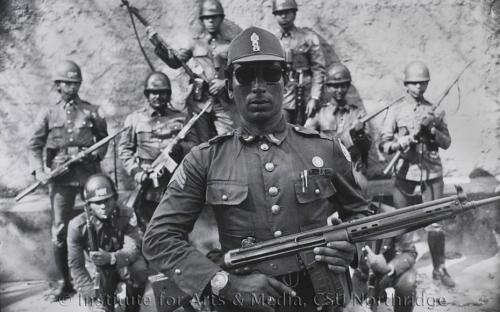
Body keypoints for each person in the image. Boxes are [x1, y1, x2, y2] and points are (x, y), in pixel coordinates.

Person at [142, 26, 372, 312]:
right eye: (245, 76)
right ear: (229, 86)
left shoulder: (325, 150)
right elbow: (158, 239)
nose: (258, 86)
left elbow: (362, 216)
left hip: (319, 299)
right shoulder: (205, 159)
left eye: (271, 74)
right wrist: (224, 283)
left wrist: (353, 252)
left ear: (285, 82)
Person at [28, 60, 108, 301]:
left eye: (75, 83)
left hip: (88, 177)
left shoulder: (91, 111)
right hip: (61, 180)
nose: (71, 87)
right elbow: (34, 145)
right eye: (66, 83)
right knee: (60, 231)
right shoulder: (48, 113)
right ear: (57, 86)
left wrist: (96, 153)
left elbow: (103, 140)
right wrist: (39, 171)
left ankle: (102, 279)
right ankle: (66, 284)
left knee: (97, 226)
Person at [379, 61, 455, 288]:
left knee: (436, 224)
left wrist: (432, 130)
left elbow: (447, 142)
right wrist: (399, 142)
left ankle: (439, 268)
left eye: (423, 83)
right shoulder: (396, 110)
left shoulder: (435, 111)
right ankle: (396, 268)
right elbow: (383, 145)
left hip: (431, 173)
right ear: (406, 85)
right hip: (404, 173)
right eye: (414, 83)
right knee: (400, 223)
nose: (419, 87)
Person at [150, 0, 240, 143]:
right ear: (202, 20)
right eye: (206, 18)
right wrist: (158, 45)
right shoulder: (194, 43)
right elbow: (176, 62)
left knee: (228, 141)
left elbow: (243, 73)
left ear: (221, 18)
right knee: (202, 143)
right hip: (200, 102)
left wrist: (225, 82)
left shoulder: (232, 44)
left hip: (223, 103)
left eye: (214, 17)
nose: (210, 21)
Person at [118, 71, 194, 231]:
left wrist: (181, 149)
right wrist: (137, 172)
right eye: (154, 93)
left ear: (168, 94)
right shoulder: (134, 119)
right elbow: (125, 150)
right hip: (147, 183)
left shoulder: (181, 119)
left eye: (162, 93)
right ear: (147, 94)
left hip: (175, 182)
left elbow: (195, 146)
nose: (158, 97)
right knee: (149, 229)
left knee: (177, 229)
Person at [67, 174, 148, 312]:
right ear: (88, 205)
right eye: (97, 202)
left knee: (139, 268)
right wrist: (92, 295)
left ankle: (132, 306)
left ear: (115, 198)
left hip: (122, 263)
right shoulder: (77, 226)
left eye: (107, 200)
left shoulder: (127, 214)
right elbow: (76, 266)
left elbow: (132, 249)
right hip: (97, 271)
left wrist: (111, 258)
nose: (103, 206)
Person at [304, 63, 371, 190]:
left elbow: (367, 147)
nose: (339, 90)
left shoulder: (358, 114)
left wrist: (360, 134)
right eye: (335, 86)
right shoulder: (319, 114)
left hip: (352, 170)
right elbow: (304, 141)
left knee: (362, 190)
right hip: (326, 169)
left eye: (343, 86)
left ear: (348, 86)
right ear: (328, 88)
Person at [350, 205, 417, 312]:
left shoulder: (396, 216)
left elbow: (409, 252)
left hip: (388, 274)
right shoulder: (350, 215)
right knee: (345, 306)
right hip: (363, 274)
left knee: (406, 283)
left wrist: (388, 267)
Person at [271, 0, 326, 124]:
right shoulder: (272, 40)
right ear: (275, 15)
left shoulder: (308, 38)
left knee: (306, 134)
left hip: (305, 93)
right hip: (282, 95)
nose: (284, 16)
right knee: (283, 132)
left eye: (287, 12)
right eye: (280, 13)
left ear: (294, 13)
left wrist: (315, 97)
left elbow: (318, 69)